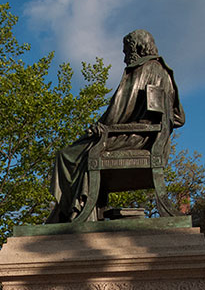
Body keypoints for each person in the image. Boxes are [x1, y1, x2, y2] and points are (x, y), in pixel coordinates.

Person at [46, 29, 185, 223]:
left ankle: (73, 214)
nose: (125, 56)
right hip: (148, 139)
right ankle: (82, 210)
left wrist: (100, 126)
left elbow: (119, 110)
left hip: (133, 139)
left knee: (67, 155)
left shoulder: (143, 70)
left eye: (126, 50)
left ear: (137, 47)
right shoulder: (164, 71)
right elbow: (178, 118)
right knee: (75, 151)